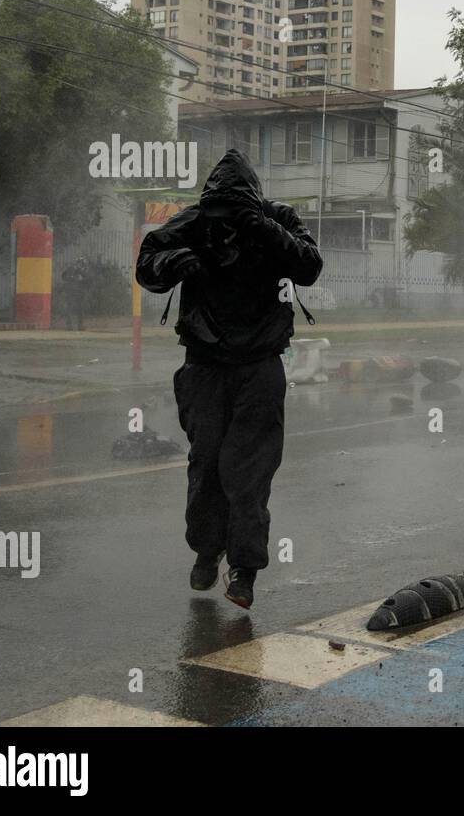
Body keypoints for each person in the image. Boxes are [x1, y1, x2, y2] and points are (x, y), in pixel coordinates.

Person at [136, 149, 323, 610]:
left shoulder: (276, 219)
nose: (225, 225)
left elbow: (309, 266)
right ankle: (206, 549)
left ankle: (244, 570)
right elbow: (147, 261)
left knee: (249, 470)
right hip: (204, 365)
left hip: (259, 366)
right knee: (206, 465)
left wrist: (258, 224)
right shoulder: (196, 221)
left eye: (233, 214)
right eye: (221, 214)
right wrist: (174, 261)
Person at [59, 257, 90, 330]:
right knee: (77, 309)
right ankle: (77, 326)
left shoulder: (73, 269)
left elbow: (63, 276)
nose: (82, 265)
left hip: (73, 292)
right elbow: (87, 280)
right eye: (82, 264)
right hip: (76, 292)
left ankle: (72, 326)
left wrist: (70, 279)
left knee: (72, 309)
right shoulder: (79, 270)